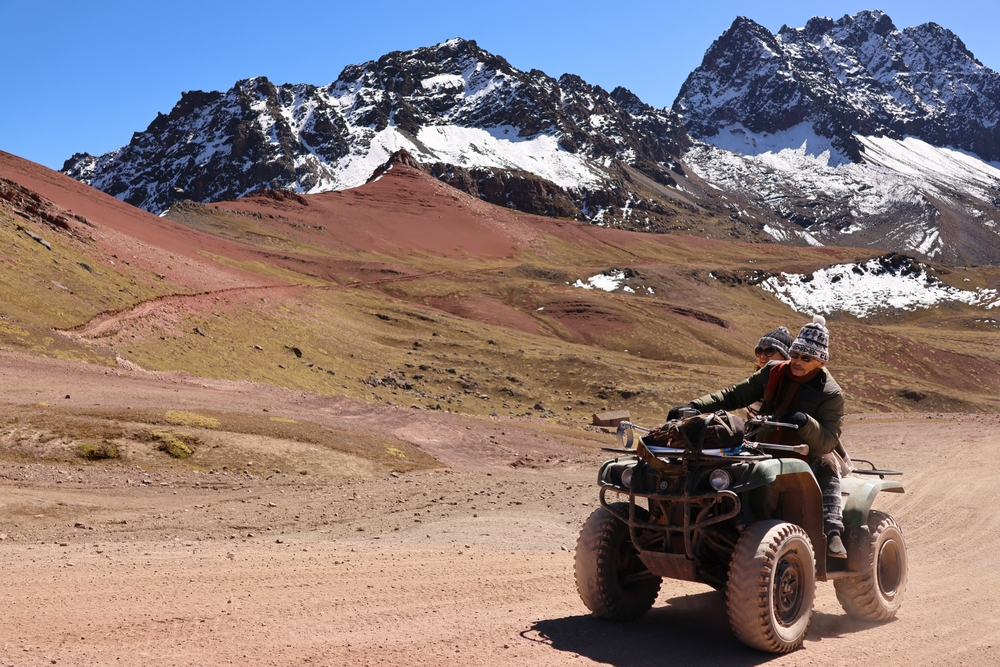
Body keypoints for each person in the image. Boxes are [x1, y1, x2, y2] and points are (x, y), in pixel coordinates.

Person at [667, 316, 847, 558]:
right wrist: (694, 406)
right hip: (764, 440)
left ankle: (832, 530)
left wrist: (805, 422)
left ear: (820, 362)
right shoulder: (773, 371)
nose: (797, 362)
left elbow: (828, 440)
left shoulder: (831, 393)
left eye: (806, 358)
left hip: (806, 449)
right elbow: (734, 395)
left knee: (827, 465)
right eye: (794, 355)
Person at [746, 326, 793, 419]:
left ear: (785, 357)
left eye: (770, 351)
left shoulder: (788, 387)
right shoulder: (755, 379)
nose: (763, 356)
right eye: (759, 351)